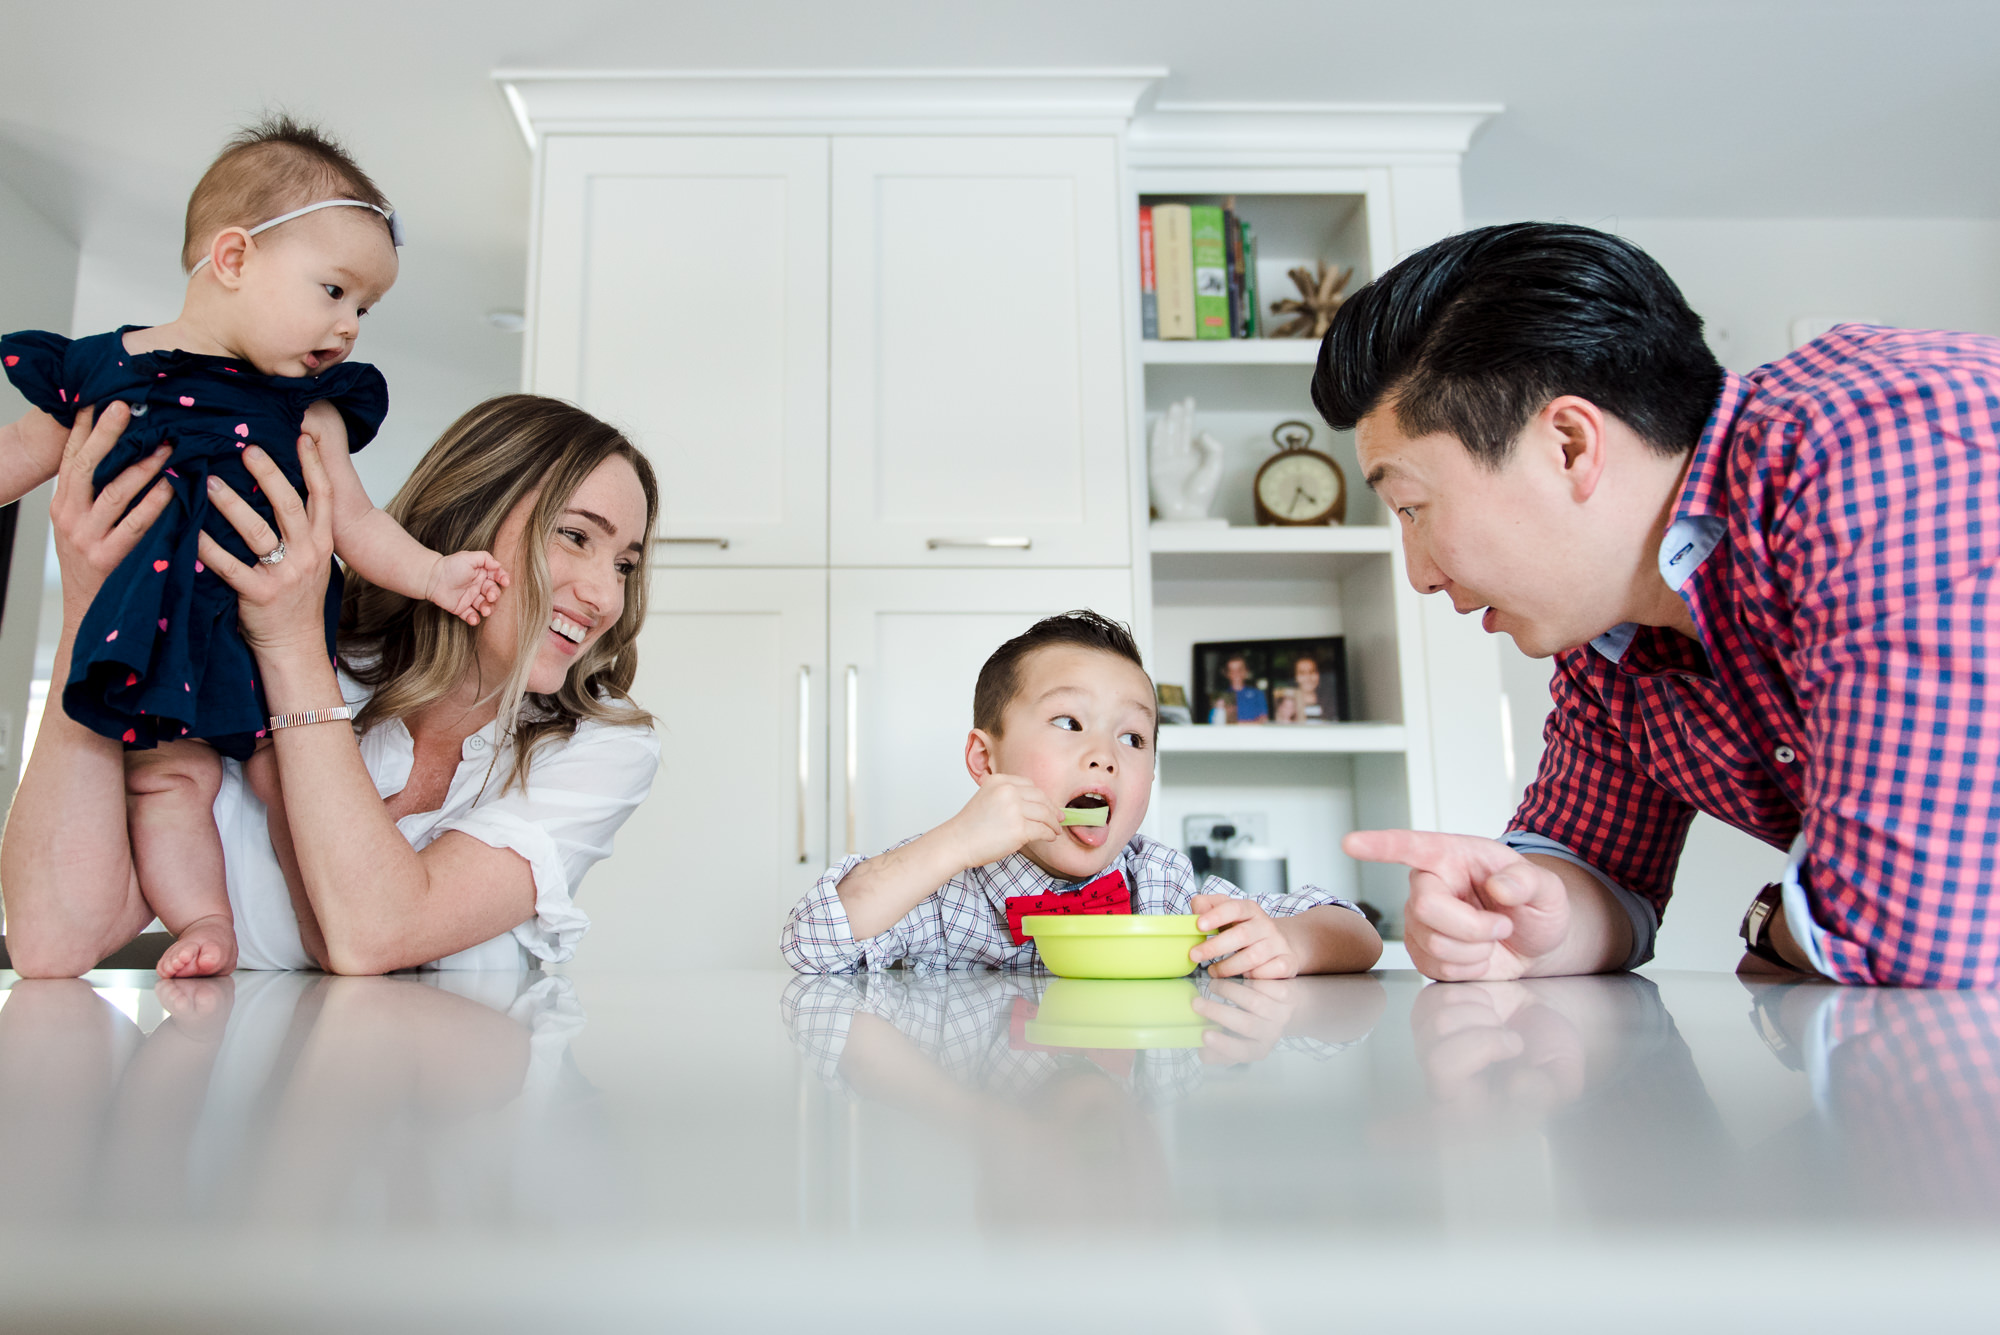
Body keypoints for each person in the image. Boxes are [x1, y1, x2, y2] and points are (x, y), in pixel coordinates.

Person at [1316, 221, 2000, 988]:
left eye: (1411, 506)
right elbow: (1597, 872)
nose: (1420, 575)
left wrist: (1777, 928)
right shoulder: (1607, 638)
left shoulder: (1884, 447)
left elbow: (1918, 931)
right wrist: (1523, 922)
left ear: (1569, 445)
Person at [0, 116, 505, 978]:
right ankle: (204, 920)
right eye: (335, 291)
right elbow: (16, 457)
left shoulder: (306, 408)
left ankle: (321, 922)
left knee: (288, 781)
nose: (349, 327)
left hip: (253, 645)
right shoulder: (99, 371)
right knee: (167, 785)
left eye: (365, 309)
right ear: (233, 259)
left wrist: (436, 574)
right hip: (148, 631)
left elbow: (356, 520)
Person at [0, 393, 660, 977]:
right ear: (469, 517)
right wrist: (89, 612)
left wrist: (291, 649)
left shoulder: (601, 747)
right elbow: (50, 942)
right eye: (575, 536)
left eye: (626, 563)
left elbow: (376, 932)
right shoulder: (243, 639)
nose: (605, 595)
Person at [783, 610, 1381, 977]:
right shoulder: (941, 890)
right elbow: (810, 943)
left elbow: (1356, 932)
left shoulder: (1164, 888)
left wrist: (1292, 943)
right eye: (1069, 724)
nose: (1105, 755)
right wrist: (951, 844)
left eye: (1133, 737)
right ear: (985, 760)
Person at [1217, 652, 1267, 723]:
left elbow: (1263, 720)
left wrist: (1238, 724)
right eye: (1232, 670)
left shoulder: (1257, 694)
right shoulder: (1222, 697)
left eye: (1239, 670)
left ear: (1246, 671)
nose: (1236, 674)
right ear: (1227, 674)